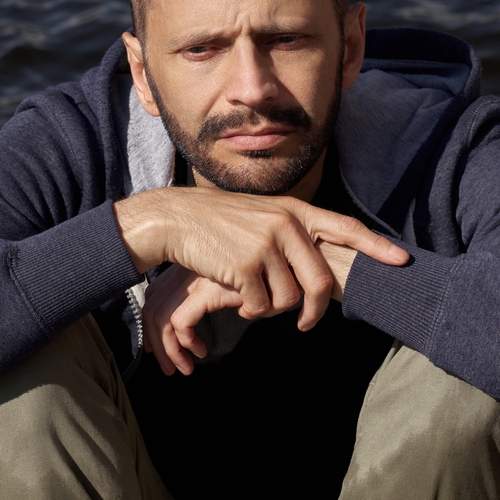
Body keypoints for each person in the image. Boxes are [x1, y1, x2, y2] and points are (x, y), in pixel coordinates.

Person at [1, 0, 500, 498]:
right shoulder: (71, 145)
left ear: (350, 47)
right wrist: (151, 224)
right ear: (143, 73)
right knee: (24, 377)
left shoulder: (448, 146)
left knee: (463, 381)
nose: (252, 89)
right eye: (201, 50)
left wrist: (323, 256)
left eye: (286, 40)